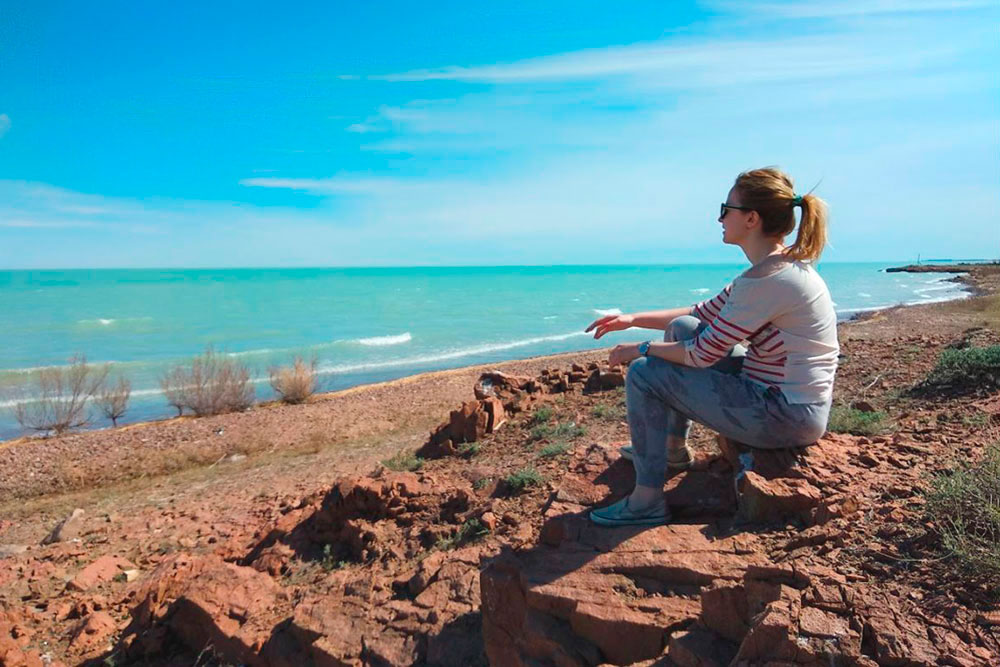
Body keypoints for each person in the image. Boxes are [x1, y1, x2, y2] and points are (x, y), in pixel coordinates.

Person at [584, 167, 839, 527]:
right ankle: (672, 451)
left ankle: (646, 502)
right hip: (784, 401)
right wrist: (632, 318)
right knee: (682, 327)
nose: (719, 218)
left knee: (644, 374)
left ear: (751, 219)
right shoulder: (775, 270)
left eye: (726, 209)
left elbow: (700, 355)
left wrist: (640, 349)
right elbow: (698, 315)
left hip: (786, 416)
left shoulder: (768, 280)